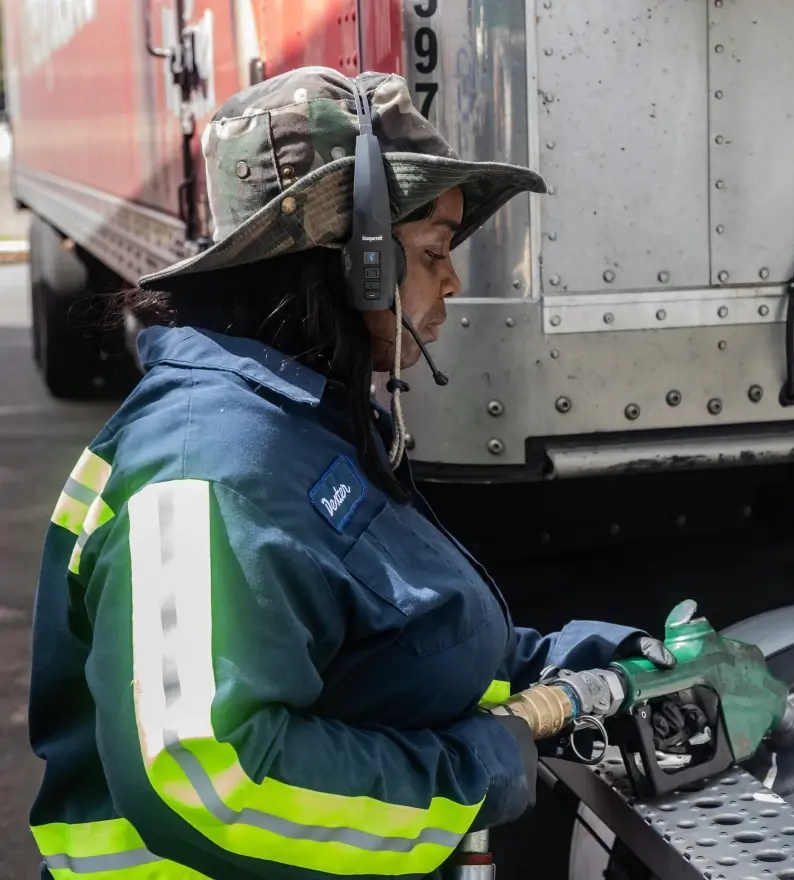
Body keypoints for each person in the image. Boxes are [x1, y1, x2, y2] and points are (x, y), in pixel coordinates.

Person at [26, 67, 676, 880]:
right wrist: (474, 773)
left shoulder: (305, 425)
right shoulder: (213, 468)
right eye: (434, 250)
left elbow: (389, 651)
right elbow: (207, 782)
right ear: (357, 259)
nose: (453, 280)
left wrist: (594, 661)